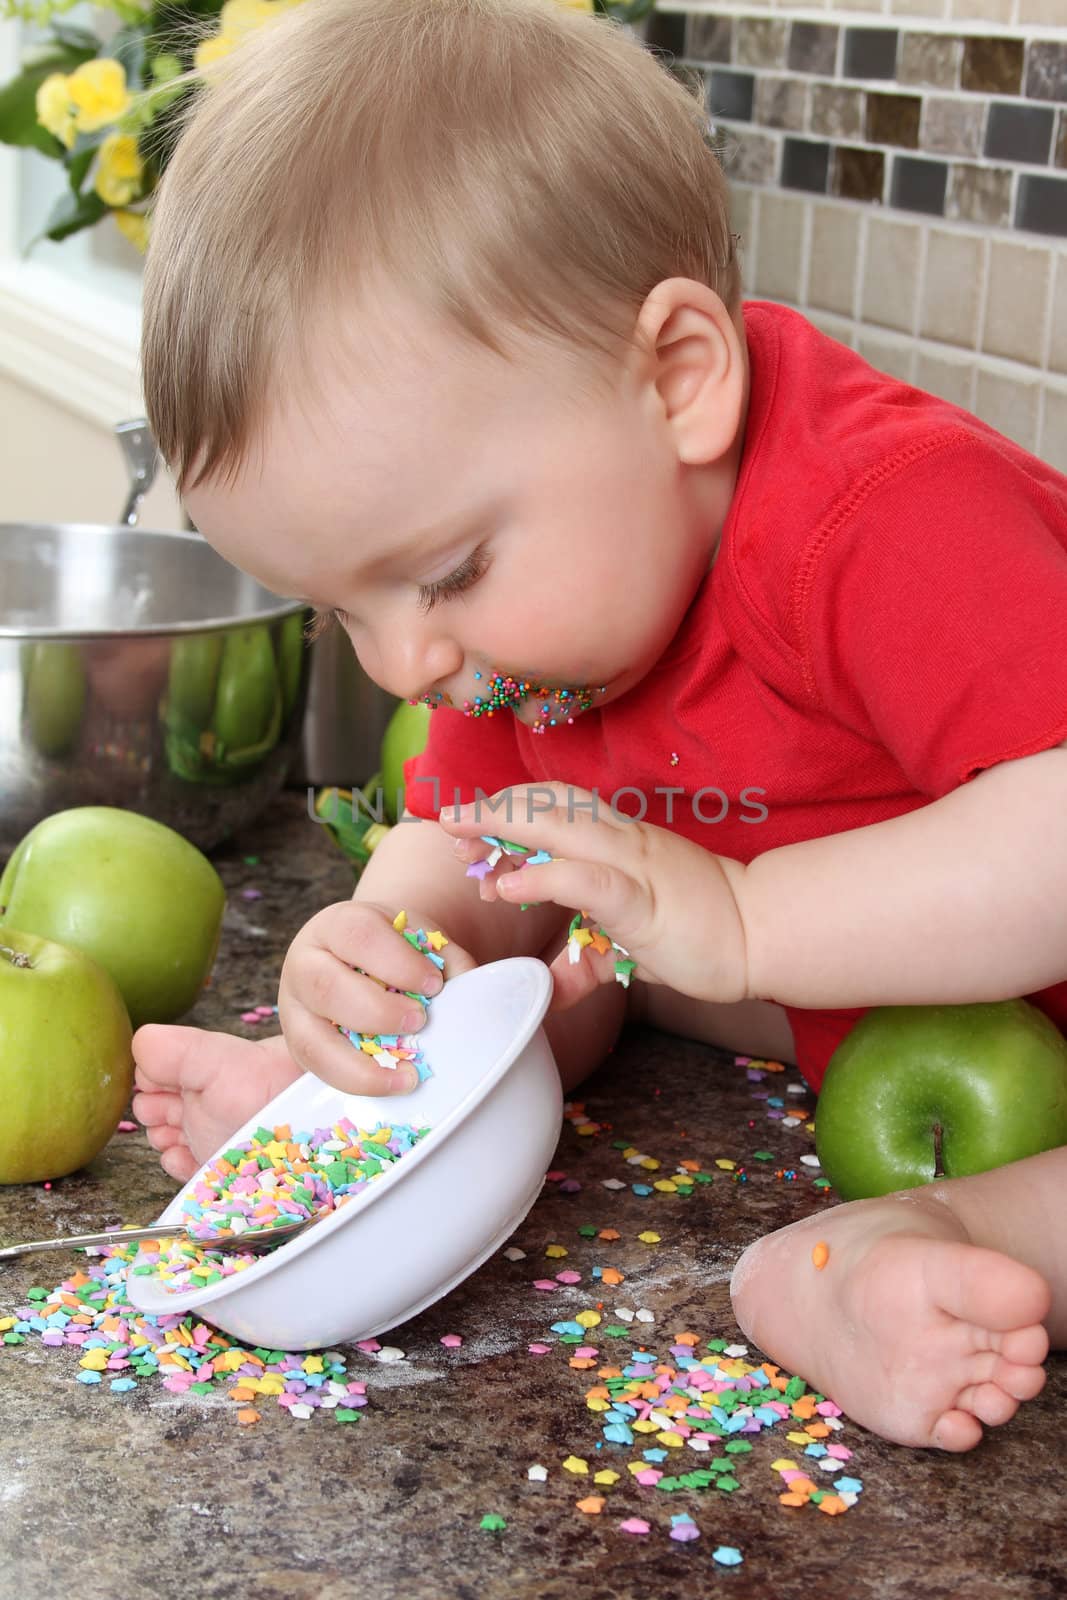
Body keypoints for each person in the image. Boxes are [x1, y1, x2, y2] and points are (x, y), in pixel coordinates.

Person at [130, 0, 1067, 1451]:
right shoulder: (534, 645)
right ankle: (351, 1122)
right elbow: (479, 847)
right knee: (572, 955)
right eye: (340, 613)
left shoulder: (889, 520)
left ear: (679, 380)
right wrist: (391, 945)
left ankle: (885, 1252)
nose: (404, 664)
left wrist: (745, 921)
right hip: (853, 1022)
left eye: (445, 574)